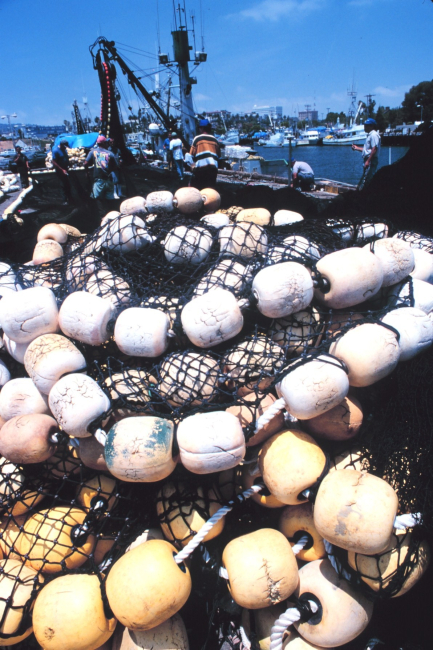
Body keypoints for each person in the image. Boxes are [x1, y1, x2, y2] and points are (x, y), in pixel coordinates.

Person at [84, 135, 119, 203]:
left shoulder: (92, 152)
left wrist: (87, 172)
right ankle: (109, 212)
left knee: (98, 200)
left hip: (98, 180)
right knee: (109, 200)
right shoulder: (110, 154)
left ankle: (101, 213)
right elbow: (116, 166)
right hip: (109, 180)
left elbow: (85, 163)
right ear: (104, 143)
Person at [190, 119, 220, 190]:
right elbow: (218, 155)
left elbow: (191, 154)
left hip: (201, 169)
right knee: (210, 189)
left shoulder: (197, 139)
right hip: (213, 169)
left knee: (200, 188)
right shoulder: (215, 139)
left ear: (202, 128)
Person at [352, 118, 381, 190]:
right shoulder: (370, 135)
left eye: (366, 126)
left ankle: (364, 195)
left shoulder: (374, 135)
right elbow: (368, 150)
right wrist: (357, 148)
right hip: (369, 159)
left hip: (371, 160)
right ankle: (364, 193)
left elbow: (374, 149)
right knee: (365, 178)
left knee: (367, 179)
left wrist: (368, 161)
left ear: (371, 126)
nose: (365, 127)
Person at [51, 138, 72, 204]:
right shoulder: (56, 151)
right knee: (62, 185)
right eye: (64, 146)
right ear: (61, 145)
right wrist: (62, 169)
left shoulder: (64, 150)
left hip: (66, 169)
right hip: (60, 171)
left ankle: (70, 199)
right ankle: (64, 201)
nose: (65, 148)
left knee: (67, 185)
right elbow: (54, 162)